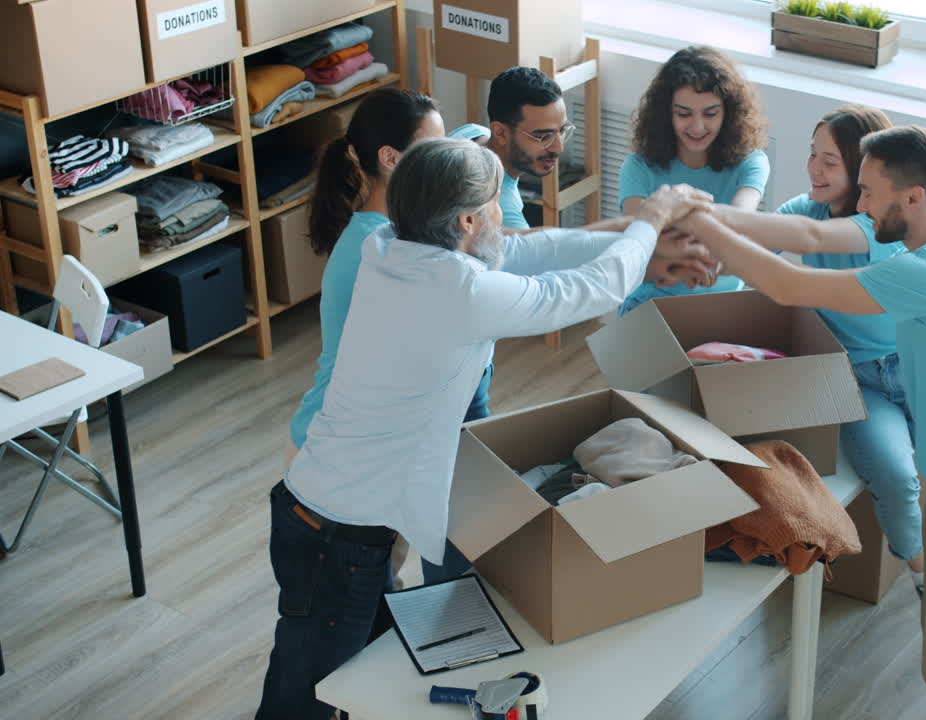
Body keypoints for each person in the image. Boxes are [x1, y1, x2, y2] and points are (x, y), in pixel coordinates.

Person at [256, 136, 711, 720]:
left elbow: (524, 251)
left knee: (361, 680)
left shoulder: (388, 245)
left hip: (329, 519)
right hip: (337, 535)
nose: (503, 216)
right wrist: (646, 224)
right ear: (468, 220)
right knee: (305, 697)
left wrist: (636, 242)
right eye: (496, 204)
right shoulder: (459, 292)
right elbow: (588, 290)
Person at [678, 125, 926, 720]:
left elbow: (787, 282)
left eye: (871, 191)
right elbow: (798, 237)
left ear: (913, 197)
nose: (862, 205)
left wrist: (700, 221)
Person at [696, 104, 925, 587]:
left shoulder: (880, 225)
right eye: (812, 154)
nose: (813, 169)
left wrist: (700, 215)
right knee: (897, 477)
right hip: (862, 383)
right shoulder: (807, 208)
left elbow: (807, 239)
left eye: (829, 161)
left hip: (921, 369)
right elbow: (755, 247)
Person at [287, 88, 482, 588]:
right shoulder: (380, 247)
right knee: (368, 597)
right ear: (391, 159)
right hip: (339, 446)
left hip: (351, 434)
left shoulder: (391, 229)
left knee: (377, 586)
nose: (443, 160)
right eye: (431, 149)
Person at [617, 45, 770, 312]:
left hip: (722, 306)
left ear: (728, 113)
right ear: (667, 114)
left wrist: (691, 253)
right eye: (684, 114)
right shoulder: (638, 167)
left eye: (710, 114)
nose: (698, 127)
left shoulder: (752, 163)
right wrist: (707, 254)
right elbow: (638, 243)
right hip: (649, 304)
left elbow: (736, 224)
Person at [485, 66, 571, 231]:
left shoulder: (471, 133)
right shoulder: (505, 214)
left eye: (561, 131)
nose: (558, 148)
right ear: (500, 133)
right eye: (542, 137)